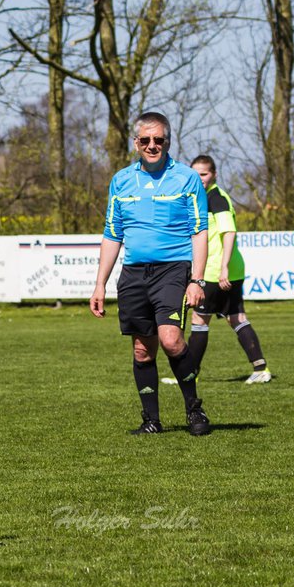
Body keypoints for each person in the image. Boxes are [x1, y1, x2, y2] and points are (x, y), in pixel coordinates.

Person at [89, 112, 212, 436]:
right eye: (146, 140)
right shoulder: (121, 180)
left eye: (159, 140)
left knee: (171, 340)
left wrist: (196, 280)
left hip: (173, 269)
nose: (152, 145)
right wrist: (99, 284)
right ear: (136, 143)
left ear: (168, 142)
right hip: (133, 274)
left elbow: (200, 231)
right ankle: (151, 420)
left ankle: (194, 410)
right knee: (142, 349)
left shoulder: (186, 179)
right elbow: (112, 234)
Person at [188, 155, 271, 383]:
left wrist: (223, 268)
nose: (200, 179)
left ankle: (189, 374)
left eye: (203, 174)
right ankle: (260, 369)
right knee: (236, 318)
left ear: (214, 174)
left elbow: (229, 232)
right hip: (228, 269)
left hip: (216, 271)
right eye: (195, 174)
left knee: (199, 319)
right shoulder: (203, 198)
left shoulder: (216, 198)